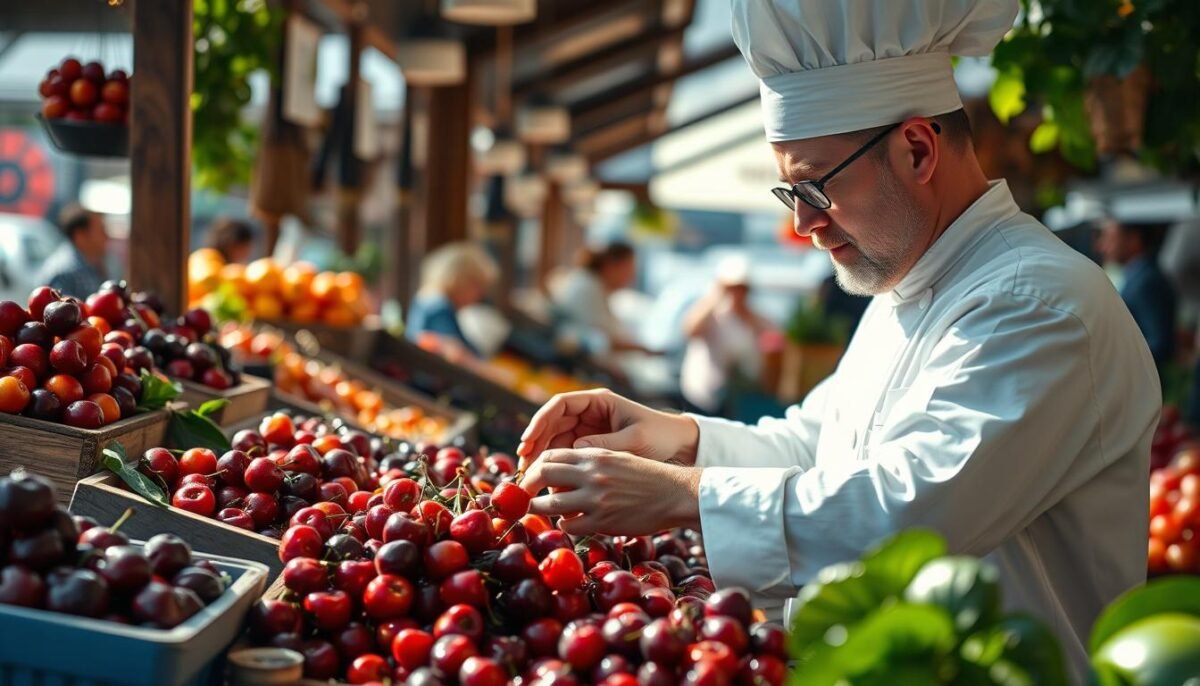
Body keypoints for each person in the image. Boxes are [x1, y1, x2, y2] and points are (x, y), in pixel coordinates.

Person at [514, 1, 1159, 680]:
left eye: (815, 188)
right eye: (790, 193)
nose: (803, 225)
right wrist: (676, 439)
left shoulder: (1036, 301)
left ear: (917, 149)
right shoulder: (910, 286)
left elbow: (908, 513)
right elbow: (819, 449)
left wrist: (687, 494)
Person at [680, 256, 773, 413]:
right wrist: (715, 296)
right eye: (732, 287)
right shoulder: (712, 315)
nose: (737, 293)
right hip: (704, 396)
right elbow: (690, 330)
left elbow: (774, 342)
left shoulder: (754, 318)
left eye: (742, 288)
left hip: (739, 397)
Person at [550, 242, 656, 355]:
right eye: (629, 269)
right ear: (612, 266)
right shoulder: (587, 287)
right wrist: (643, 349)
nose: (632, 277)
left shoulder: (594, 285)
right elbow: (602, 340)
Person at [406, 242, 498, 357]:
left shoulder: (428, 301)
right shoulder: (438, 307)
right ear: (461, 280)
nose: (480, 296)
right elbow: (455, 355)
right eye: (478, 286)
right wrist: (494, 373)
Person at [37, 204, 108, 298]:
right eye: (101, 230)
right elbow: (62, 311)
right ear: (80, 236)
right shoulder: (63, 273)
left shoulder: (92, 265)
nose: (107, 236)